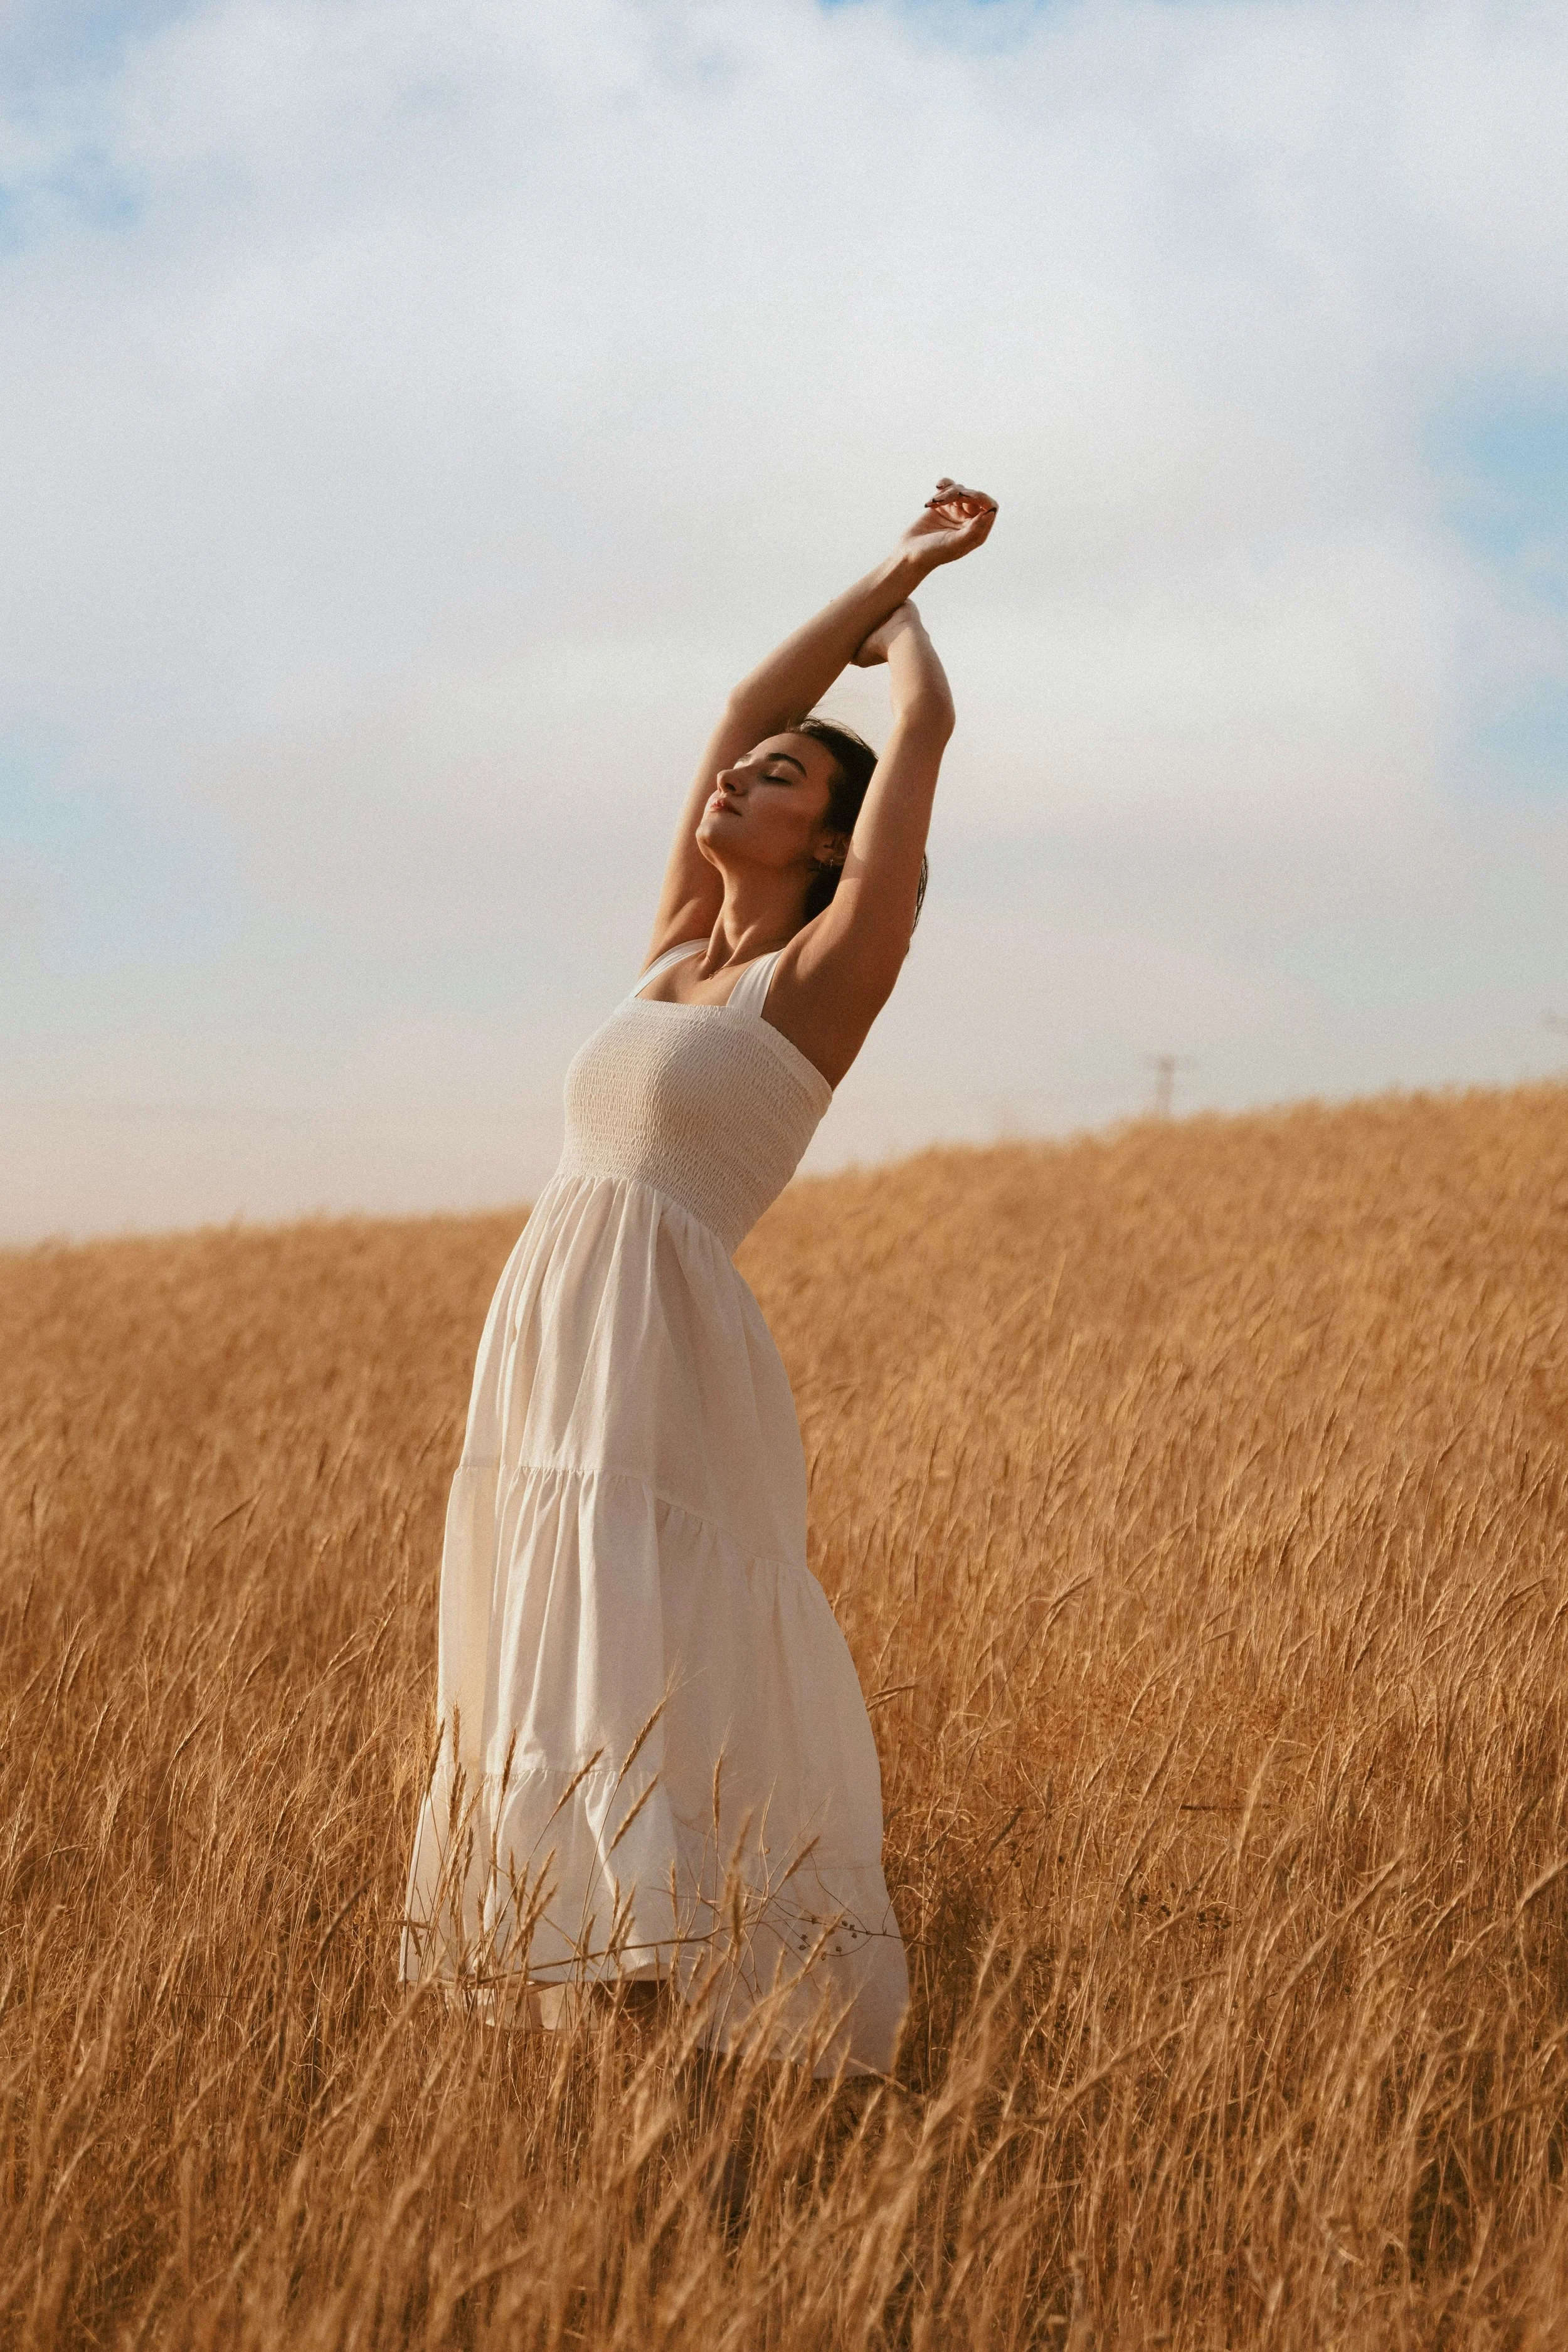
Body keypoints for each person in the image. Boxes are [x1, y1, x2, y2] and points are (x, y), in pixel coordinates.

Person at [401, 479, 999, 2075]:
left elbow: (918, 744)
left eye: (782, 778)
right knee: (555, 1637)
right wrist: (869, 571)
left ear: (828, 838)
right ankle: (597, 2030)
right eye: (744, 772)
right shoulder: (677, 949)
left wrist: (917, 607)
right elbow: (744, 698)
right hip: (550, 1328)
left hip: (661, 1348)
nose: (738, 773)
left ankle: (681, 2015)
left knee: (646, 1654)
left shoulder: (820, 978)